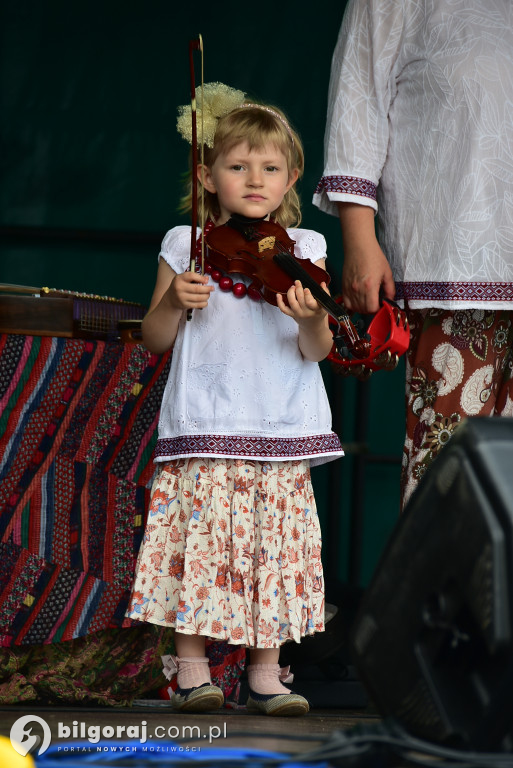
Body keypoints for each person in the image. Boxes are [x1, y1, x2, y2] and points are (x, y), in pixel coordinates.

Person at [126, 82, 344, 716]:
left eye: (270, 168)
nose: (255, 179)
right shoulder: (185, 243)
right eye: (238, 166)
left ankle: (266, 674)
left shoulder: (306, 251)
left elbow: (317, 350)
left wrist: (309, 319)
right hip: (207, 416)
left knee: (271, 548)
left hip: (279, 426)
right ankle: (192, 672)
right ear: (208, 174)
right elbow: (154, 339)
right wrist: (173, 300)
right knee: (204, 544)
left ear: (291, 176)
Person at [314, 0, 513, 509]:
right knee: (446, 468)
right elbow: (358, 98)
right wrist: (359, 238)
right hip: (457, 264)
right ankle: (435, 591)